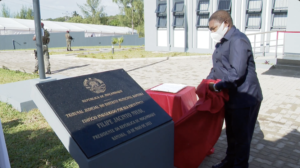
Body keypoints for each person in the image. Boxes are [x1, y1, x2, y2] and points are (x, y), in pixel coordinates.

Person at [206, 10, 263, 168]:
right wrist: (207, 81)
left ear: (226, 23)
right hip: (231, 96)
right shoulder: (222, 42)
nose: (212, 32)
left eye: (213, 28)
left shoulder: (238, 40)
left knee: (241, 139)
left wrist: (217, 86)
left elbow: (236, 73)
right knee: (231, 134)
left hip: (245, 98)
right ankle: (229, 162)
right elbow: (217, 67)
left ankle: (239, 165)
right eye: (210, 29)